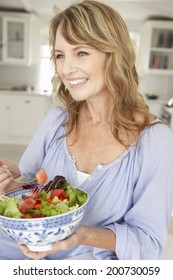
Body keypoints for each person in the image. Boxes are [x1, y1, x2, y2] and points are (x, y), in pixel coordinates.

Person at [0, 0, 173, 260]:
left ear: (113, 54)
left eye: (81, 52)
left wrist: (84, 235)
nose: (67, 68)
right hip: (16, 253)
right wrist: (11, 182)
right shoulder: (58, 119)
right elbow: (30, 189)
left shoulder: (155, 141)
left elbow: (148, 242)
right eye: (60, 55)